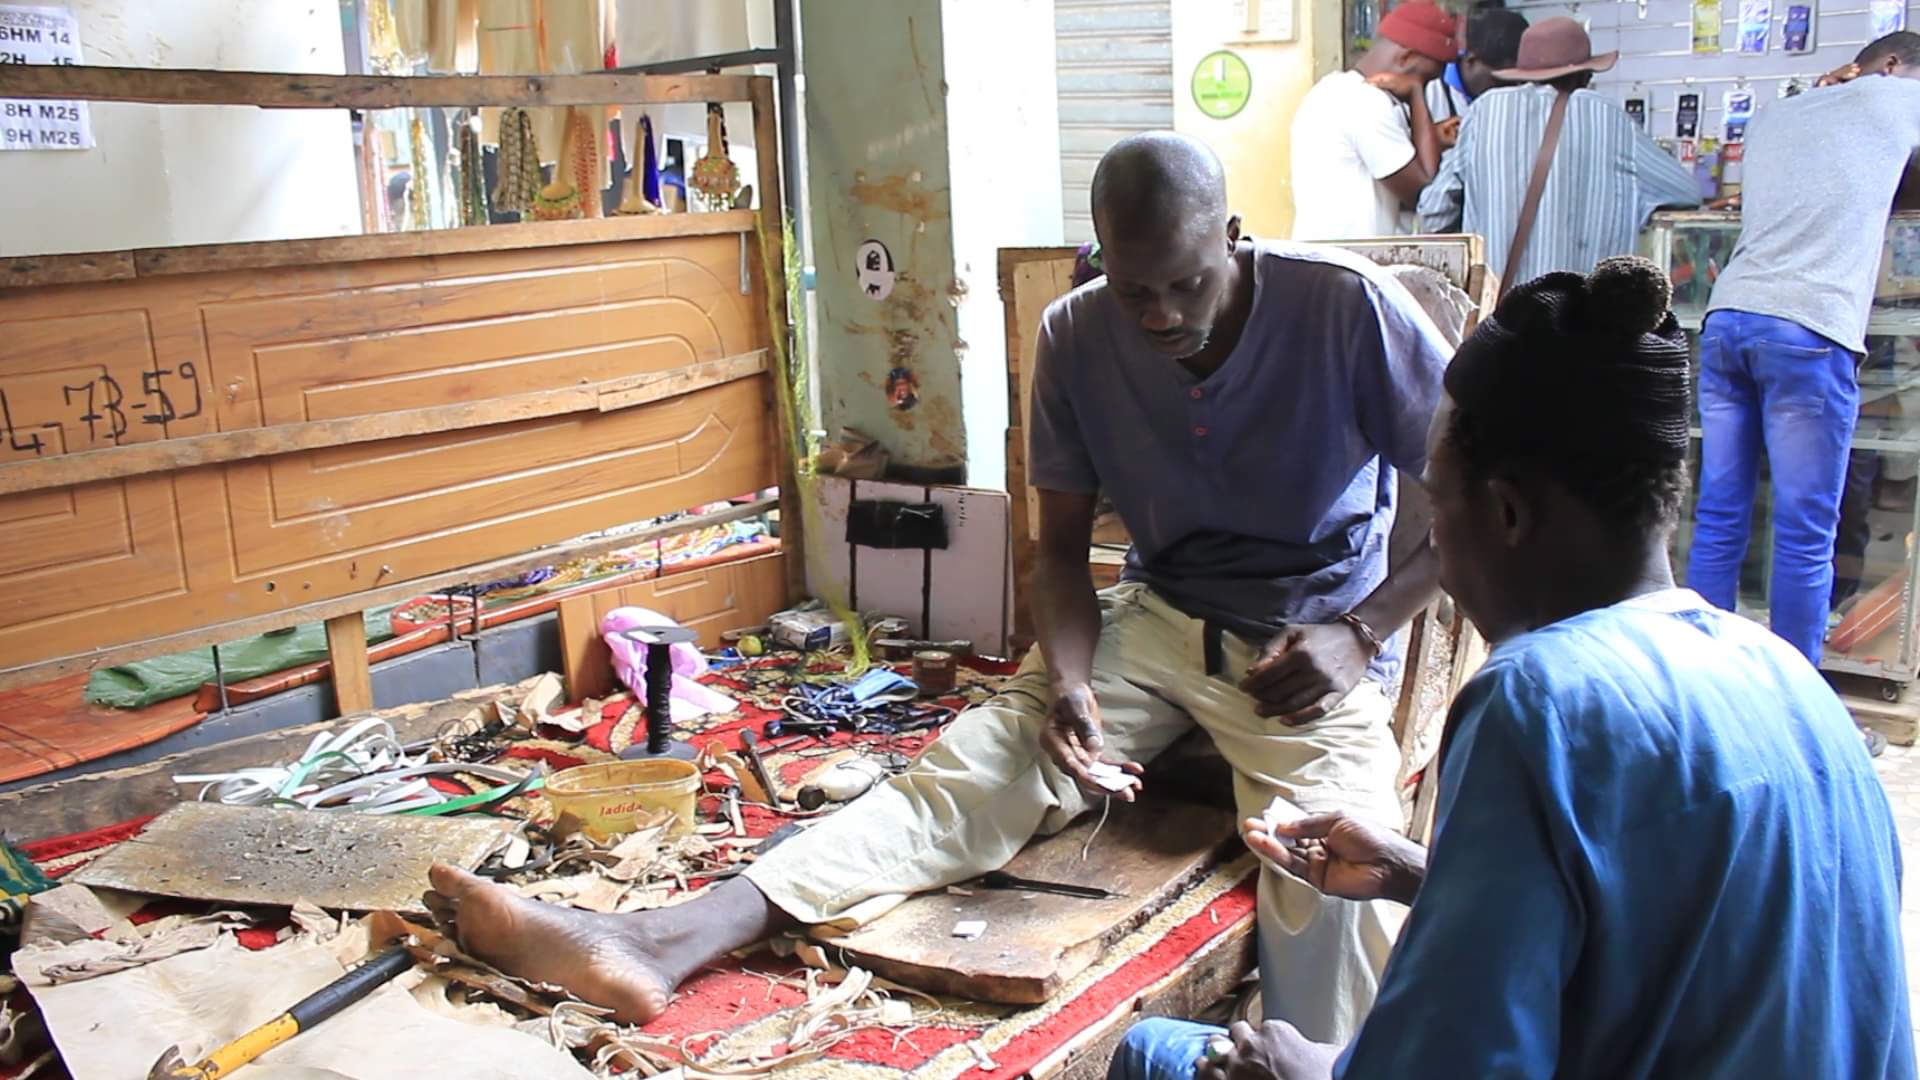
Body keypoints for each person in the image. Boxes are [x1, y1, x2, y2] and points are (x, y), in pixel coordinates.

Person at [425, 131, 1453, 1045]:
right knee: (966, 773)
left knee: (1332, 877)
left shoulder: (1345, 307)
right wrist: (1069, 683)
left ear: (1232, 235)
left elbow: (1489, 497)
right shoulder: (1077, 334)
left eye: (1187, 282)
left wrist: (1363, 633)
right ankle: (657, 940)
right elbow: (1058, 555)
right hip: (1157, 618)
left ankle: (1326, 1062)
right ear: (1102, 257)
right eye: (1135, 289)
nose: (1163, 315)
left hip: (1304, 644)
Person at [1106, 258, 1915, 1080]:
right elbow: (1665, 928)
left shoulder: (1536, 699)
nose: (1436, 540)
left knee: (1156, 1053)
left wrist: (1305, 1071)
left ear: (1506, 511)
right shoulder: (1787, 676)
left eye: (1438, 503)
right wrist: (1424, 876)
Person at [1686, 32, 1920, 678]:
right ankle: (1794, 698)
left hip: (1730, 318)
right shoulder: (1899, 97)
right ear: (1894, 67)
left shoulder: (1777, 112)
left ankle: (1703, 680)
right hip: (1808, 329)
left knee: (1719, 516)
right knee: (1805, 531)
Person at [1416, 18, 1699, 286]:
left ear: (1522, 73)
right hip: (1584, 314)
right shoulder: (1608, 118)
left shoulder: (1485, 112)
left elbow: (1433, 213)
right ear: (1586, 76)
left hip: (1501, 312)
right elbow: (1685, 192)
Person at [1290, 1, 1457, 240]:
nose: (1425, 87)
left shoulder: (1333, 89)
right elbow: (1426, 196)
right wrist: (1416, 94)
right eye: (1426, 79)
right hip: (1342, 258)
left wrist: (1433, 138)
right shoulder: (1364, 102)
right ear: (1406, 58)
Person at [1423, 7, 1530, 122]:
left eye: (1516, 83)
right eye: (1499, 82)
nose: (1508, 90)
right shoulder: (1428, 96)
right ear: (1471, 60)